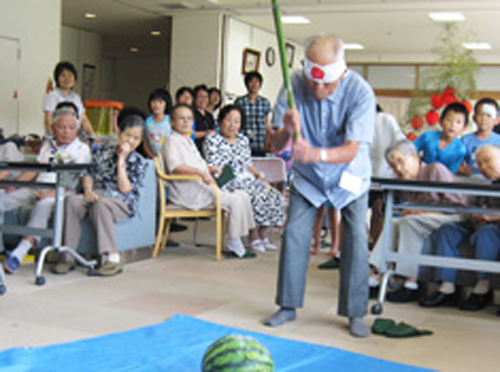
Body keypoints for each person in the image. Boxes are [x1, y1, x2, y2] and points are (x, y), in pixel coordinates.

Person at [264, 35, 375, 338]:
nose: (318, 89)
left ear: (341, 72)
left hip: (350, 177)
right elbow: (272, 144)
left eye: (327, 83)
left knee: (354, 238)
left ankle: (355, 312)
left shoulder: (360, 92)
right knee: (295, 235)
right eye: (313, 82)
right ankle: (287, 306)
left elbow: (352, 149)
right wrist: (286, 132)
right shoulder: (292, 85)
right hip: (309, 177)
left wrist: (315, 153)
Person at [53, 107, 149, 276]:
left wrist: (121, 160)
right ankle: (67, 256)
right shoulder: (105, 152)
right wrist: (88, 190)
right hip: (97, 194)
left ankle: (111, 258)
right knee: (71, 201)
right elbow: (89, 173)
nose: (131, 141)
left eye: (136, 138)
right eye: (128, 135)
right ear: (119, 133)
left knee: (101, 205)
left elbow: (125, 189)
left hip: (121, 203)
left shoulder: (139, 162)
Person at [368, 139, 467, 302]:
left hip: (453, 216)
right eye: (393, 166)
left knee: (409, 222)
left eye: (400, 161)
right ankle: (375, 273)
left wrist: (420, 211)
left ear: (414, 157)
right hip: (423, 219)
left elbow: (457, 205)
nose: (398, 169)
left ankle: (411, 281)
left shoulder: (435, 169)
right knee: (393, 224)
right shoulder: (405, 181)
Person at [2, 106, 92, 273]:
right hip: (38, 187)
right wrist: (15, 184)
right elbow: (36, 170)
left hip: (62, 191)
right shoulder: (47, 145)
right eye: (61, 127)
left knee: (43, 205)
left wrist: (50, 193)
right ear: (53, 128)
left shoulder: (82, 149)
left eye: (71, 128)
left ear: (77, 129)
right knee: (2, 198)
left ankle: (17, 255)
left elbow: (74, 181)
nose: (66, 132)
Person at [161, 104, 257, 259]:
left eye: (189, 118)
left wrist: (210, 169)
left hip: (200, 187)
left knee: (243, 196)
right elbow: (176, 167)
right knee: (235, 200)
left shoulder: (187, 140)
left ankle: (237, 238)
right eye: (181, 118)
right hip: (189, 192)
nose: (186, 122)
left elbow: (196, 163)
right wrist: (201, 173)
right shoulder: (172, 141)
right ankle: (233, 241)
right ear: (172, 122)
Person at [420, 145, 500, 309]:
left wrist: (490, 217)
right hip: (478, 224)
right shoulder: (486, 185)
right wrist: (475, 216)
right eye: (480, 164)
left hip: (494, 227)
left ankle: (483, 287)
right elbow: (472, 207)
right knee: (447, 230)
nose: (484, 167)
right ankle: (447, 287)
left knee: (486, 233)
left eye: (487, 161)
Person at [203, 104, 285, 252]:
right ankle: (252, 235)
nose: (232, 125)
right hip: (227, 180)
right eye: (228, 120)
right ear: (221, 121)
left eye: (236, 121)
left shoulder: (243, 140)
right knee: (254, 195)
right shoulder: (212, 139)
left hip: (247, 178)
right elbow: (212, 165)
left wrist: (258, 176)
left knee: (274, 195)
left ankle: (263, 233)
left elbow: (248, 164)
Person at [368, 104, 405, 249]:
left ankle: (377, 254)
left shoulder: (386, 121)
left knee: (379, 213)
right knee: (352, 215)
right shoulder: (354, 121)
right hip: (362, 178)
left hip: (384, 178)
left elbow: (402, 145)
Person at [43, 61, 96, 139]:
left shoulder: (76, 98)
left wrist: (93, 135)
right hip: (58, 139)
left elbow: (83, 119)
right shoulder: (53, 96)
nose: (67, 79)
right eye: (63, 75)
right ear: (57, 78)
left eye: (70, 75)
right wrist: (53, 139)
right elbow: (48, 121)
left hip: (75, 138)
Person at [414, 102, 468, 174]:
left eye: (458, 122)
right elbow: (411, 149)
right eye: (449, 120)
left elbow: (451, 173)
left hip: (443, 181)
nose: (452, 125)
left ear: (464, 128)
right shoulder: (427, 136)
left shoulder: (460, 149)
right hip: (422, 176)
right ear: (441, 121)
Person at [235, 72, 272, 157]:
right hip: (243, 143)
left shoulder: (265, 102)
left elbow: (267, 124)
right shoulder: (240, 102)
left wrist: (268, 141)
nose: (254, 84)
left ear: (260, 84)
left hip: (260, 142)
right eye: (251, 81)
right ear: (246, 84)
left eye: (257, 82)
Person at [459, 98, 500, 176]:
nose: (484, 119)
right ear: (474, 118)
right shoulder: (465, 140)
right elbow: (457, 164)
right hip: (470, 180)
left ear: (497, 120)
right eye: (480, 114)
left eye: (489, 115)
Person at [143, 88, 173, 158]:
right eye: (153, 101)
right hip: (153, 158)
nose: (156, 105)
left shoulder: (170, 120)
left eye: (160, 102)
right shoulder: (147, 121)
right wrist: (152, 157)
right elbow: (145, 142)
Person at [193, 85, 216, 154]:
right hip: (195, 149)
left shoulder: (209, 116)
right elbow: (188, 133)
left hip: (208, 150)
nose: (203, 100)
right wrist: (205, 133)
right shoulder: (191, 114)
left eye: (206, 97)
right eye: (200, 97)